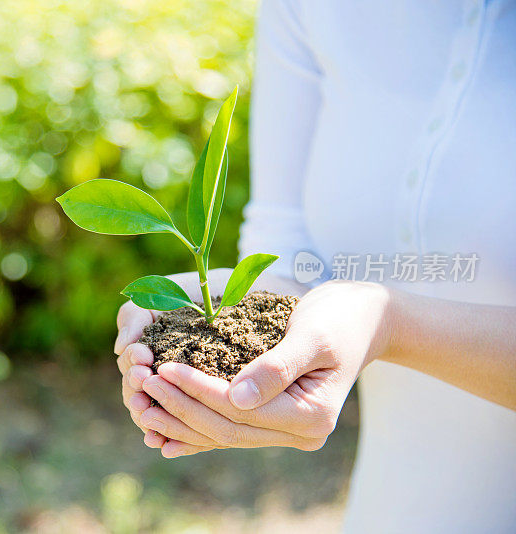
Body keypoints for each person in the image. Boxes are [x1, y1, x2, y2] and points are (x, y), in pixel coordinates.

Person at [113, 1, 516, 532]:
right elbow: (288, 259)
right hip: (393, 504)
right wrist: (196, 307)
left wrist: (391, 323)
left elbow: (368, 317)